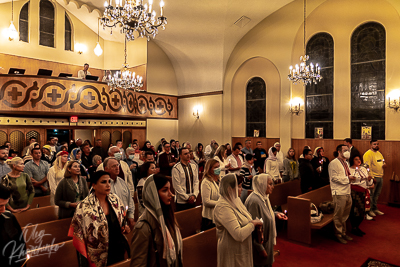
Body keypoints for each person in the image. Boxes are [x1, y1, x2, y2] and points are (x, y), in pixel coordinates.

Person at [68, 171, 131, 267]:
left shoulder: (115, 200)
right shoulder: (84, 206)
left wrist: (124, 227)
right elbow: (78, 232)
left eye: (109, 182)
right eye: (103, 182)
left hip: (117, 246)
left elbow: (122, 220)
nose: (108, 185)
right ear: (94, 185)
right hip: (96, 251)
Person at [130, 174, 183, 267]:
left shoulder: (166, 217)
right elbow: (138, 264)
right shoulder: (143, 226)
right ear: (153, 194)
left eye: (170, 189)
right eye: (165, 190)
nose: (171, 194)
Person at [214, 173, 263, 267]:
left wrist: (255, 224)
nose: (242, 189)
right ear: (229, 189)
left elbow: (247, 218)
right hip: (231, 251)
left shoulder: (236, 200)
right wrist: (253, 224)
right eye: (239, 186)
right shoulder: (222, 207)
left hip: (242, 249)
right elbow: (238, 234)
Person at [245, 174, 288, 267]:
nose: (273, 186)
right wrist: (260, 248)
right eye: (270, 184)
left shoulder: (264, 197)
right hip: (259, 246)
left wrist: (275, 214)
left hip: (266, 243)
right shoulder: (254, 201)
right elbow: (253, 227)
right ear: (262, 184)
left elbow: (265, 214)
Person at [328, 144, 355, 244]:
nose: (347, 151)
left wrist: (352, 177)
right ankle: (338, 234)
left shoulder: (346, 163)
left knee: (345, 214)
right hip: (339, 192)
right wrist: (348, 179)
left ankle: (343, 232)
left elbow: (347, 175)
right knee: (338, 214)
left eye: (348, 150)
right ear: (339, 152)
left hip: (347, 190)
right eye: (345, 150)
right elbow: (334, 178)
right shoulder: (333, 163)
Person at [103, 157, 135, 229]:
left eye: (118, 165)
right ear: (106, 169)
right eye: (114, 166)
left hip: (124, 222)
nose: (117, 168)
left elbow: (129, 200)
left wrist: (131, 216)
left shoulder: (122, 182)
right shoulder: (101, 184)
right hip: (109, 224)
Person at [0, 184, 27, 267]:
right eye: (0, 206)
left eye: (5, 205)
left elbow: (21, 243)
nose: (3, 209)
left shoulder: (9, 217)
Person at [349, 155, 374, 236]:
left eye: (359, 159)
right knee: (355, 211)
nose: (358, 161)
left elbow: (367, 182)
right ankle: (354, 227)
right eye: (356, 159)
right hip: (354, 192)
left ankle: (357, 226)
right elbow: (350, 182)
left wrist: (370, 180)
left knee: (362, 211)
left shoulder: (363, 169)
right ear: (352, 160)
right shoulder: (350, 169)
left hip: (363, 191)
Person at [363, 140, 386, 217]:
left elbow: (382, 161)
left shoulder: (379, 153)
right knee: (371, 194)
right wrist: (372, 178)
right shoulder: (368, 154)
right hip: (373, 177)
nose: (376, 145)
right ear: (370, 145)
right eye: (374, 144)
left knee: (377, 194)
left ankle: (375, 208)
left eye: (377, 144)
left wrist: (384, 164)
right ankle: (370, 210)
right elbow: (367, 167)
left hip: (380, 176)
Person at [172, 147, 199, 211]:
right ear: (180, 156)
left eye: (189, 153)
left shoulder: (193, 166)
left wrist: (194, 195)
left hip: (193, 199)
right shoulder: (176, 168)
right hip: (181, 201)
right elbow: (177, 186)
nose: (188, 155)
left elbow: (196, 182)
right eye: (185, 154)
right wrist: (187, 198)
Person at [201, 159, 220, 231]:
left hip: (219, 214)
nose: (218, 169)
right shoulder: (206, 182)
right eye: (215, 167)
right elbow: (206, 201)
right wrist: (221, 203)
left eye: (218, 166)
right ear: (209, 169)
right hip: (209, 217)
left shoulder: (219, 179)